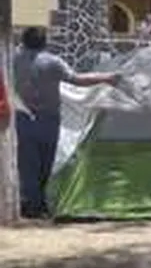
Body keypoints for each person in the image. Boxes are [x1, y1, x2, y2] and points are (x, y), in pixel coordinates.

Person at [13, 27, 119, 218]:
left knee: (27, 164)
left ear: (24, 41)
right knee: (46, 163)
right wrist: (107, 78)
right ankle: (38, 205)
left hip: (22, 117)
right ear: (45, 43)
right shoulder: (53, 62)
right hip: (49, 119)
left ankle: (31, 204)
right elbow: (77, 79)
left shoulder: (13, 60)